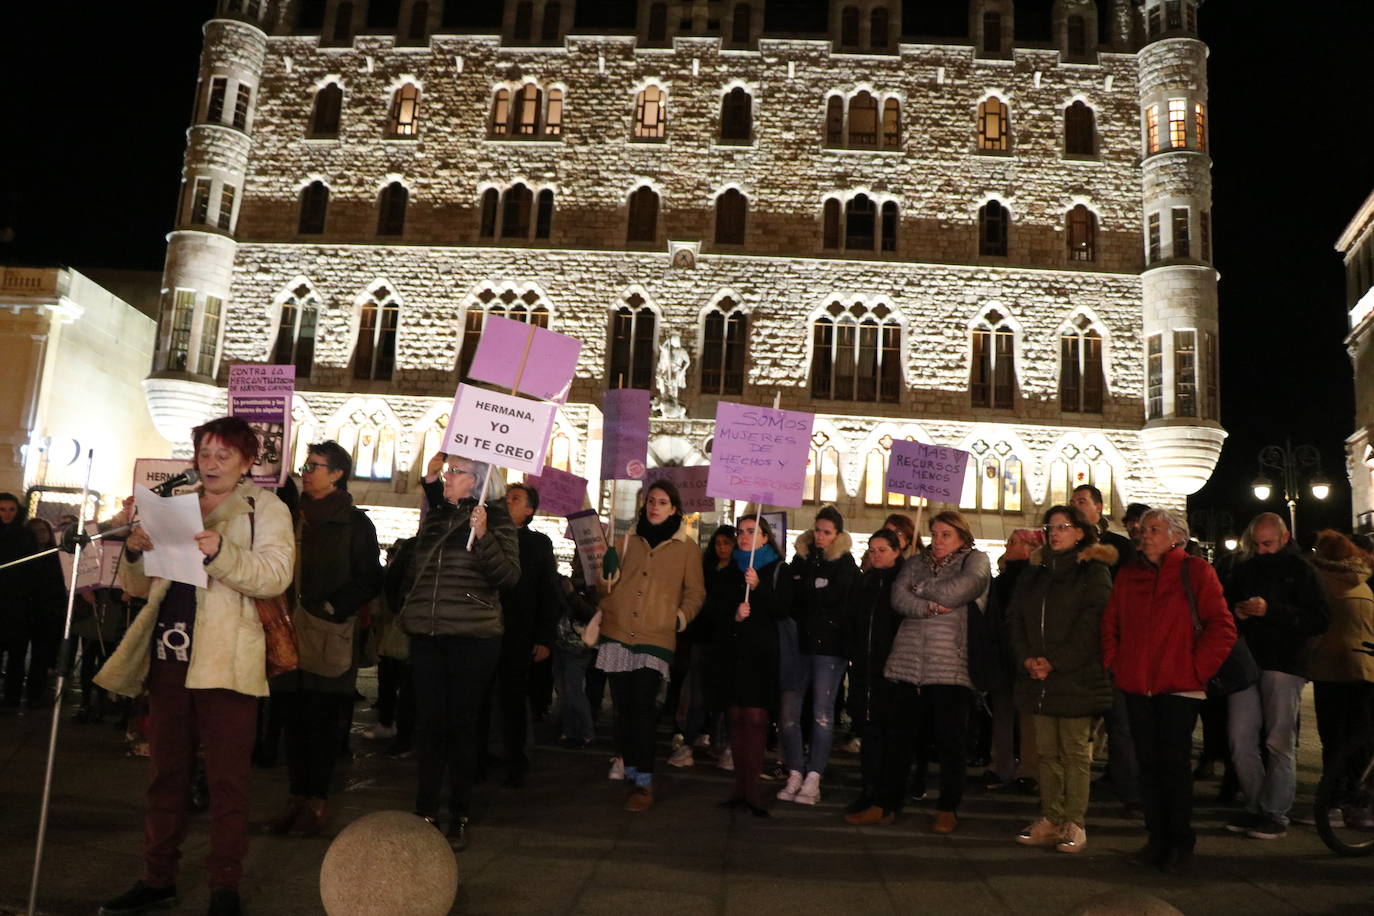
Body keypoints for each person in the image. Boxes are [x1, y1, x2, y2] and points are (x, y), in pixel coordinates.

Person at [95, 416, 295, 916]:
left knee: (228, 780)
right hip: (169, 658)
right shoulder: (175, 506)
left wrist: (221, 551)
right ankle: (157, 877)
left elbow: (274, 575)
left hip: (227, 661)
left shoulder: (264, 508)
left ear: (248, 461)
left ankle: (224, 886)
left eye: (224, 455)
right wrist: (138, 553)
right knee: (166, 774)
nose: (211, 464)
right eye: (205, 453)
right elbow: (142, 589)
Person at [1101, 508, 1236, 874]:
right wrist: (1116, 663)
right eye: (1142, 529)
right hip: (1136, 685)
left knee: (1173, 766)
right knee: (1148, 766)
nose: (1144, 534)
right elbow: (1110, 623)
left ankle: (1180, 840)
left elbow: (1222, 627)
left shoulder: (1196, 571)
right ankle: (1156, 838)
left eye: (1153, 529)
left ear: (1176, 536)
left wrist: (1196, 670)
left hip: (1179, 687)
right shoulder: (1129, 574)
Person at [400, 452, 520, 851]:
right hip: (428, 634)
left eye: (456, 472)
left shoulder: (498, 517)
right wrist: (432, 474)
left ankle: (460, 813)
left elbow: (508, 576)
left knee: (462, 727)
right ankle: (425, 811)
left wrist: (483, 536)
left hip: (472, 637)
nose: (448, 477)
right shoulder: (437, 515)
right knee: (430, 725)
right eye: (448, 472)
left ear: (479, 480)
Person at [266, 441, 382, 838]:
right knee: (293, 720)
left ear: (337, 474)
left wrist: (334, 606)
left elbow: (370, 577)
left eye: (315, 466)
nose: (307, 471)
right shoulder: (290, 517)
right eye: (305, 465)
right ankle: (296, 798)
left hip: (330, 634)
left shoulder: (355, 523)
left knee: (323, 723)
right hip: (289, 632)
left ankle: (317, 801)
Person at [1006, 505, 1115, 853]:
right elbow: (1015, 617)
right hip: (1037, 676)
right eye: (1050, 527)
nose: (1055, 533)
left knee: (1074, 753)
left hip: (1075, 677)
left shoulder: (1093, 573)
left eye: (1063, 526)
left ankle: (1074, 821)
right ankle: (1051, 818)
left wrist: (1054, 662)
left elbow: (1091, 628)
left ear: (1080, 531)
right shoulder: (1035, 572)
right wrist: (1027, 658)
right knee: (1046, 753)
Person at [595, 478, 705, 812]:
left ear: (674, 509)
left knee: (643, 708)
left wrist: (679, 618)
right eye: (651, 501)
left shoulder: (686, 547)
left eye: (662, 502)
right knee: (624, 708)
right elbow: (606, 589)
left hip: (654, 637)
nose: (655, 507)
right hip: (618, 632)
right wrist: (606, 572)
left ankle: (644, 780)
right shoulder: (627, 540)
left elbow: (696, 591)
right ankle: (629, 766)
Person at [881, 510, 992, 832]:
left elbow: (962, 589)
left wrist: (923, 588)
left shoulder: (976, 560)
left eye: (946, 534)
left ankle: (947, 807)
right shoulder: (916, 562)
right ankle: (888, 803)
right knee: (899, 741)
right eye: (935, 533)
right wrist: (929, 606)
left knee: (950, 742)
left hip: (949, 666)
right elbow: (899, 597)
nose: (938, 540)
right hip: (908, 663)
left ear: (961, 536)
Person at [1223, 511, 1329, 840]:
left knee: (1279, 740)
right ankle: (1256, 805)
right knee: (1240, 738)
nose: (1263, 550)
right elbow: (1226, 609)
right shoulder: (1245, 569)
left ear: (1284, 538)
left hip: (1284, 663)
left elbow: (1319, 619)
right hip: (1248, 663)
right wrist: (1238, 611)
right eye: (1257, 544)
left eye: (1268, 543)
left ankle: (1275, 812)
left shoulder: (1302, 571)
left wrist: (1273, 610)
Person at [479, 481, 559, 788]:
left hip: (518, 634)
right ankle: (481, 755)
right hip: (483, 629)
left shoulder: (537, 544)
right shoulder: (486, 536)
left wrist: (544, 637)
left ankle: (517, 759)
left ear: (529, 510)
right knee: (482, 697)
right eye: (506, 497)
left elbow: (548, 593)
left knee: (513, 699)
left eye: (515, 499)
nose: (507, 501)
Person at [776, 506, 858, 806]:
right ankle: (795, 770)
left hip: (829, 647)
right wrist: (814, 588)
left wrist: (812, 590)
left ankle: (814, 776)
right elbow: (793, 597)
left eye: (827, 532)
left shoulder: (845, 565)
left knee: (822, 714)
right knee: (789, 713)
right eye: (818, 530)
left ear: (837, 535)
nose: (820, 537)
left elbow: (838, 601)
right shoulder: (801, 559)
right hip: (799, 643)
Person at [1070, 485, 1141, 819]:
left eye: (1082, 502)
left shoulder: (1120, 548)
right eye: (1072, 502)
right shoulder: (1066, 547)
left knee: (1120, 722)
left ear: (1099, 508)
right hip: (1077, 646)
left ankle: (1130, 791)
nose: (1076, 507)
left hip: (1113, 645)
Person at [716, 514, 791, 816]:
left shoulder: (777, 569)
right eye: (741, 532)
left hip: (762, 655)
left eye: (751, 531)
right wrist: (734, 615)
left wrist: (759, 587)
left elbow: (783, 609)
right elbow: (716, 610)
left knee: (756, 718)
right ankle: (739, 785)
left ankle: (753, 789)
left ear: (764, 537)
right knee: (735, 716)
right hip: (736, 653)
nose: (744, 537)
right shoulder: (730, 570)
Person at [1307, 529, 1374, 827]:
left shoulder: (1320, 583)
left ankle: (1331, 803)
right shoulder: (1363, 583)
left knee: (1333, 738)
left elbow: (1316, 626)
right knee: (1358, 738)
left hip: (1331, 668)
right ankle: (1357, 805)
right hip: (1365, 668)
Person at [844, 529, 904, 823]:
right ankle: (868, 791)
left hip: (891, 670)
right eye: (872, 550)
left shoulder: (901, 583)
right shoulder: (865, 582)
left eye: (882, 549)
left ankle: (886, 798)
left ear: (896, 551)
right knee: (869, 733)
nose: (876, 555)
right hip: (865, 668)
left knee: (890, 735)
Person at [671, 525, 737, 768]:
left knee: (726, 695)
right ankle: (689, 743)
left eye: (727, 543)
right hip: (704, 638)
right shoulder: (705, 570)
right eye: (718, 543)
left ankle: (726, 746)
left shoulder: (739, 572)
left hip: (727, 642)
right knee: (698, 696)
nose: (722, 548)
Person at [984, 528, 1044, 792]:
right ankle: (1001, 764)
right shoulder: (1002, 579)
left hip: (1025, 655)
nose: (1007, 545)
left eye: (1014, 542)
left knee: (1028, 716)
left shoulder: (1035, 578)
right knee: (1003, 713)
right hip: (1002, 654)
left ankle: (1029, 769)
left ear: (1030, 547)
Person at [0, 492, 38, 709]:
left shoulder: (26, 536)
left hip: (17, 603)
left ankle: (11, 698)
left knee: (16, 654)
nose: (7, 514)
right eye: (2, 509)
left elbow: (31, 570)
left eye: (11, 509)